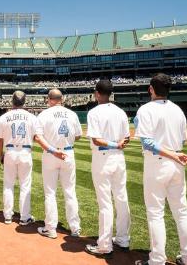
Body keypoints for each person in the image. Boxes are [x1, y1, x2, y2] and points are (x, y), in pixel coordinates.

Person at [134, 73, 187, 265]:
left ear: (151, 89)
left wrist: (172, 154)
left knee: (155, 213)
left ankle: (157, 260)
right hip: (177, 163)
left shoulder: (145, 109)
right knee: (182, 212)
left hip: (158, 163)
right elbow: (183, 139)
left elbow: (148, 143)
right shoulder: (178, 110)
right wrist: (175, 154)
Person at [84, 80, 131, 258]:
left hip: (103, 158)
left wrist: (114, 144)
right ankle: (123, 239)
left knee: (105, 203)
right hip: (118, 159)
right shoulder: (120, 112)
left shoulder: (94, 112)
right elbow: (126, 138)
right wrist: (118, 145)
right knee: (121, 198)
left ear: (97, 93)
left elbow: (96, 140)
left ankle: (104, 245)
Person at [35, 88, 82, 239]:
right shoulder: (72, 114)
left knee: (50, 193)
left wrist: (53, 150)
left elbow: (38, 138)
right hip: (68, 153)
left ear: (48, 99)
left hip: (51, 154)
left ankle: (51, 228)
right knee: (70, 192)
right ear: (62, 99)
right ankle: (75, 228)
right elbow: (78, 136)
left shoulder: (44, 114)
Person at [0, 91, 36, 225]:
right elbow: (37, 136)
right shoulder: (32, 117)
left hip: (10, 152)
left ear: (12, 101)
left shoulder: (4, 117)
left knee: (8, 185)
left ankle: (7, 216)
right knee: (25, 185)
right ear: (25, 101)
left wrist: (0, 155)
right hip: (25, 151)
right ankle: (24, 217)